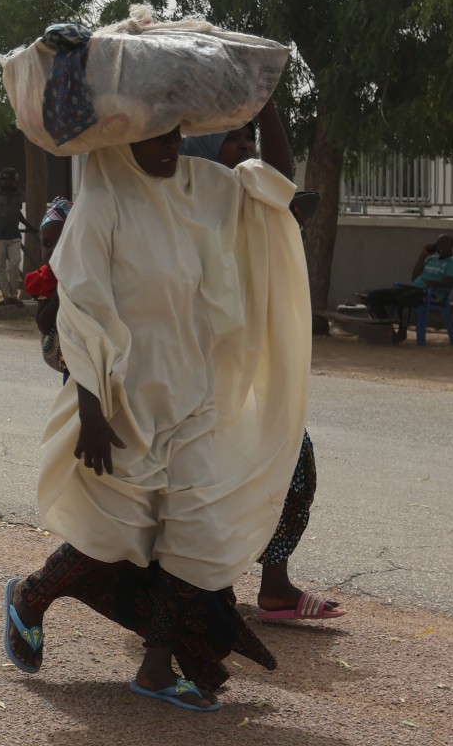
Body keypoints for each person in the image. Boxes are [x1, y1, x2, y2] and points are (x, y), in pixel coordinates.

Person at [4, 126, 311, 711]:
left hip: (195, 395)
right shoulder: (102, 205)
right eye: (153, 142)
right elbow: (81, 310)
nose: (168, 150)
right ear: (123, 145)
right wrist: (92, 410)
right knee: (113, 532)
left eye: (174, 138)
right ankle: (31, 596)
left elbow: (275, 184)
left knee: (192, 535)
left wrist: (265, 100)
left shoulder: (200, 187)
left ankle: (154, 670)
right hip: (125, 403)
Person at [182, 99, 345, 621]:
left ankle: (274, 586)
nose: (248, 147)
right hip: (196, 368)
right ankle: (192, 590)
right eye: (235, 138)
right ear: (205, 149)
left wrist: (264, 101)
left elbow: (278, 171)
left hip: (246, 362)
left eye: (251, 137)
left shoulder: (249, 195)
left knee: (293, 459)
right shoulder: (183, 203)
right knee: (202, 480)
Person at [364, 235, 453, 339]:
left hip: (431, 293)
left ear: (452, 246)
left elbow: (449, 283)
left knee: (404, 298)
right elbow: (414, 277)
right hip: (413, 289)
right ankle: (388, 331)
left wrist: (431, 283)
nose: (440, 247)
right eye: (438, 244)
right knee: (374, 296)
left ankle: (402, 330)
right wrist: (423, 255)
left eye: (443, 244)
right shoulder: (431, 259)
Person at [24, 197, 72, 376]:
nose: (54, 251)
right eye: (48, 245)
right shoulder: (48, 278)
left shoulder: (92, 274)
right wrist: (62, 288)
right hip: (65, 355)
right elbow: (44, 324)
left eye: (62, 243)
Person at [0, 168, 29, 304]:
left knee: (15, 263)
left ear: (14, 179)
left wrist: (29, 226)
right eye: (2, 178)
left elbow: (17, 213)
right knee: (0, 266)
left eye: (7, 178)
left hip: (14, 234)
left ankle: (14, 295)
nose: (4, 181)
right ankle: (6, 296)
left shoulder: (19, 195)